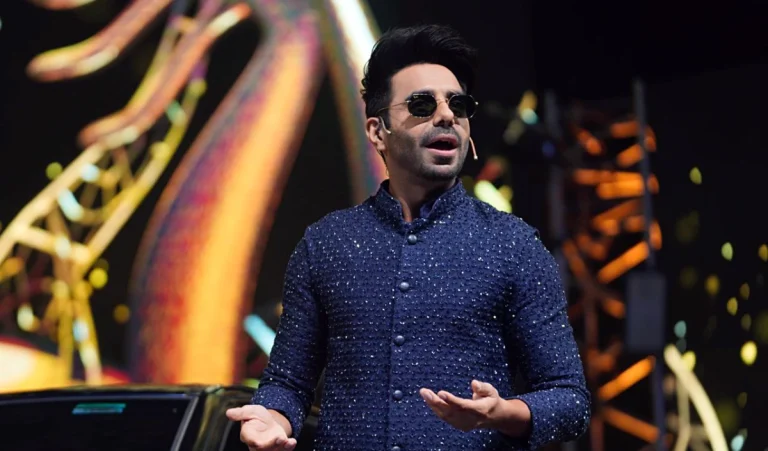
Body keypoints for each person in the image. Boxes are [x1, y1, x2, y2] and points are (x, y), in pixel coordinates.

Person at [226, 24, 590, 450]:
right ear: (377, 131)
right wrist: (270, 417)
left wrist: (504, 413)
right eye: (422, 104)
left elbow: (570, 400)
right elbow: (287, 382)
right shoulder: (325, 244)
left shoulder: (514, 245)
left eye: (458, 104)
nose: (446, 115)